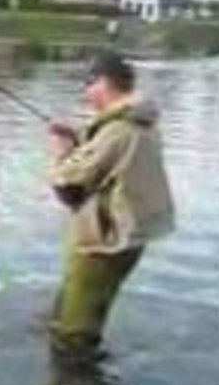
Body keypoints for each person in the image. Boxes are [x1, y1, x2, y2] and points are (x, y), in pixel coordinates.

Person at [47, 51, 175, 359]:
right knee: (78, 318)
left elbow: (69, 187)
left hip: (103, 243)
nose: (85, 92)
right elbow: (114, 166)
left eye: (88, 84)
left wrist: (62, 152)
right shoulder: (143, 122)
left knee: (72, 335)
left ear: (104, 83)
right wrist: (82, 144)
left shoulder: (119, 130)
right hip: (128, 239)